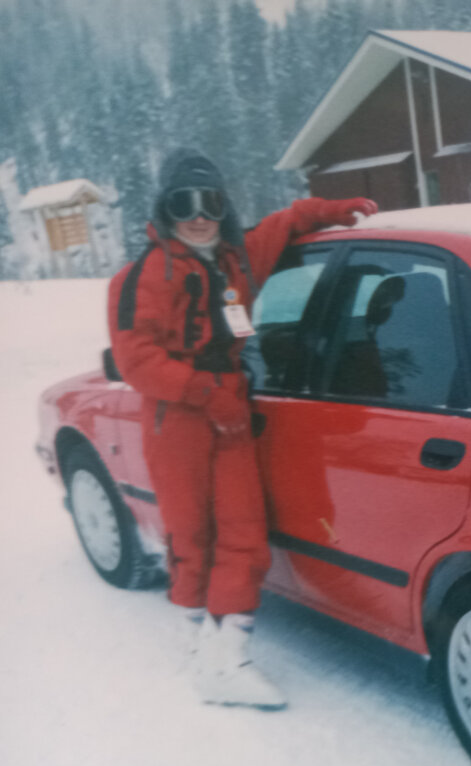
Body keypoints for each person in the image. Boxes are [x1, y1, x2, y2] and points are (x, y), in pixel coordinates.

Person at [108, 147, 377, 709]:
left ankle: (228, 655)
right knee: (191, 532)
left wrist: (336, 208)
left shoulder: (237, 259)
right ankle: (193, 640)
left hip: (229, 414)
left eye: (211, 202)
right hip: (178, 417)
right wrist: (206, 393)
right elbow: (136, 359)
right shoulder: (140, 277)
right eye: (184, 202)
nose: (199, 215)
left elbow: (285, 223)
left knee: (244, 529)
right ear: (165, 208)